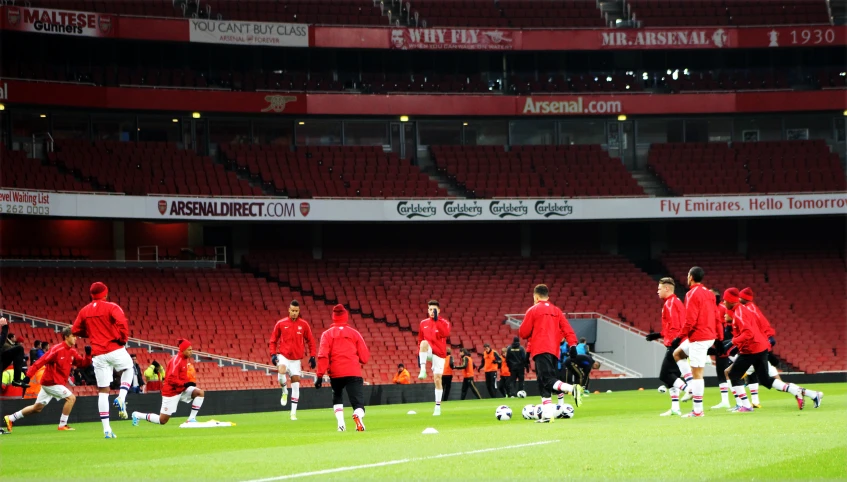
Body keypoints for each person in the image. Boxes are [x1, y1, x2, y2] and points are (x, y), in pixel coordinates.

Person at [722, 288, 823, 411]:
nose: (723, 302)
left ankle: (745, 405)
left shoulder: (739, 313)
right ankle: (806, 392)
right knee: (764, 380)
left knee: (732, 374)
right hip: (760, 347)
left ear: (730, 301)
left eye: (725, 300)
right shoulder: (744, 310)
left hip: (752, 349)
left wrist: (732, 343)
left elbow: (748, 333)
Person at [71, 281, 132, 438]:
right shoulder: (112, 307)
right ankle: (122, 397)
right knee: (129, 368)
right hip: (114, 348)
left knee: (103, 392)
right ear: (105, 293)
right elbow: (122, 323)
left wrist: (91, 334)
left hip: (97, 354)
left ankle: (106, 429)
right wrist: (123, 339)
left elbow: (75, 330)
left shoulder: (84, 311)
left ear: (91, 294)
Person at [3, 327, 91, 432]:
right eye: (73, 336)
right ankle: (63, 424)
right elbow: (39, 362)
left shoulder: (72, 351)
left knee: (37, 408)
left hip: (53, 383)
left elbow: (83, 364)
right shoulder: (56, 350)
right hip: (51, 382)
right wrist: (27, 377)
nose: (76, 338)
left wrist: (88, 355)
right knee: (71, 398)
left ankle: (11, 418)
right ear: (66, 337)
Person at [518, 284, 582, 423]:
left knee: (546, 379)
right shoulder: (557, 311)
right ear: (548, 296)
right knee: (543, 382)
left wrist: (528, 353)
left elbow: (524, 333)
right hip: (553, 350)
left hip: (540, 349)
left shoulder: (533, 310)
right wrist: (572, 345)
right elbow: (567, 329)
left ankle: (572, 389)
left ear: (535, 297)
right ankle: (547, 415)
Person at [315, 305, 370, 432]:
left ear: (334, 317)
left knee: (337, 396)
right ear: (345, 316)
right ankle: (358, 415)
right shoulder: (355, 333)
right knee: (358, 404)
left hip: (336, 373)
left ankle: (341, 424)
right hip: (353, 372)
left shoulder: (326, 335)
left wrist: (319, 376)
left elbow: (323, 355)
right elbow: (365, 357)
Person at [670, 267, 716, 418]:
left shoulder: (691, 294)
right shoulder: (709, 294)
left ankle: (698, 410)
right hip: (708, 334)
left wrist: (679, 336)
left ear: (690, 277)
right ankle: (690, 386)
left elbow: (690, 320)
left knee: (698, 373)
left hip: (699, 337)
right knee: (678, 354)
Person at [132, 339, 205, 426]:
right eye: (189, 350)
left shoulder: (184, 359)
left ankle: (191, 419)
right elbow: (170, 379)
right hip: (171, 392)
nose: (191, 352)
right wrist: (185, 384)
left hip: (180, 389)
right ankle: (137, 415)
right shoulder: (176, 361)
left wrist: (187, 383)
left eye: (191, 350)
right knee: (162, 420)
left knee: (199, 393)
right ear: (183, 350)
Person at [268, 300, 317, 421]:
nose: (294, 313)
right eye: (292, 311)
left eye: (296, 311)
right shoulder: (281, 323)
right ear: (289, 310)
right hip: (284, 356)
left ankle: (293, 413)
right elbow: (273, 340)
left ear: (298, 311)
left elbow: (311, 341)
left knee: (296, 384)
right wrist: (273, 354)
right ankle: (284, 391)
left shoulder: (304, 325)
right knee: (281, 371)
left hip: (296, 360)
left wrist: (312, 356)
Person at [738, 287, 780, 408]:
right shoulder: (751, 308)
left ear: (743, 298)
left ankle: (741, 404)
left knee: (734, 372)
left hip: (761, 343)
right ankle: (754, 401)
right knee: (760, 375)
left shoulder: (748, 310)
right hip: (764, 341)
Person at [416, 300, 452, 416]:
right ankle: (423, 370)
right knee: (423, 343)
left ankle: (437, 406)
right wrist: (420, 355)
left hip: (440, 353)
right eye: (430, 309)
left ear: (439, 311)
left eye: (434, 310)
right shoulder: (423, 323)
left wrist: (437, 321)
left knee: (437, 379)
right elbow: (420, 340)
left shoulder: (444, 322)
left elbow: (446, 333)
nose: (432, 311)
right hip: (430, 351)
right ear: (428, 310)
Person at [0, 318, 29, 389]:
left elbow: (2, 340)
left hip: (1, 360)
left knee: (19, 349)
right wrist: (4, 327)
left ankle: (16, 380)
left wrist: (5, 327)